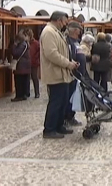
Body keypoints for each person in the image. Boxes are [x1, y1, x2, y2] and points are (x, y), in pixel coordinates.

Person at [41, 11, 78, 139]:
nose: (65, 25)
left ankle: (59, 125)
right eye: (64, 22)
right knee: (56, 102)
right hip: (55, 74)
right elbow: (52, 54)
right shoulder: (48, 32)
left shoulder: (56, 32)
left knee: (62, 101)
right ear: (58, 20)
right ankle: (49, 128)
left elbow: (62, 51)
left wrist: (71, 62)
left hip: (63, 74)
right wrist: (68, 64)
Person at [64, 21, 85, 127]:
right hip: (73, 73)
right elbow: (68, 55)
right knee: (70, 97)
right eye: (79, 30)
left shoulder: (76, 41)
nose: (80, 32)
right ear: (75, 30)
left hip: (79, 74)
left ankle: (71, 116)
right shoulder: (68, 42)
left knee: (74, 96)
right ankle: (67, 117)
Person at [11, 29, 31, 102]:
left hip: (21, 66)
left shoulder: (21, 44)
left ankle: (19, 95)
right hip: (26, 66)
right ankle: (24, 94)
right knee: (24, 81)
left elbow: (15, 53)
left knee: (19, 81)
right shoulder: (26, 44)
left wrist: (14, 45)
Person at [26, 29, 40, 98]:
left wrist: (36, 57)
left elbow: (39, 52)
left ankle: (37, 93)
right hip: (27, 63)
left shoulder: (36, 43)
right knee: (27, 78)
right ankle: (27, 92)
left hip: (34, 63)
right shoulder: (25, 43)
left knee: (35, 78)